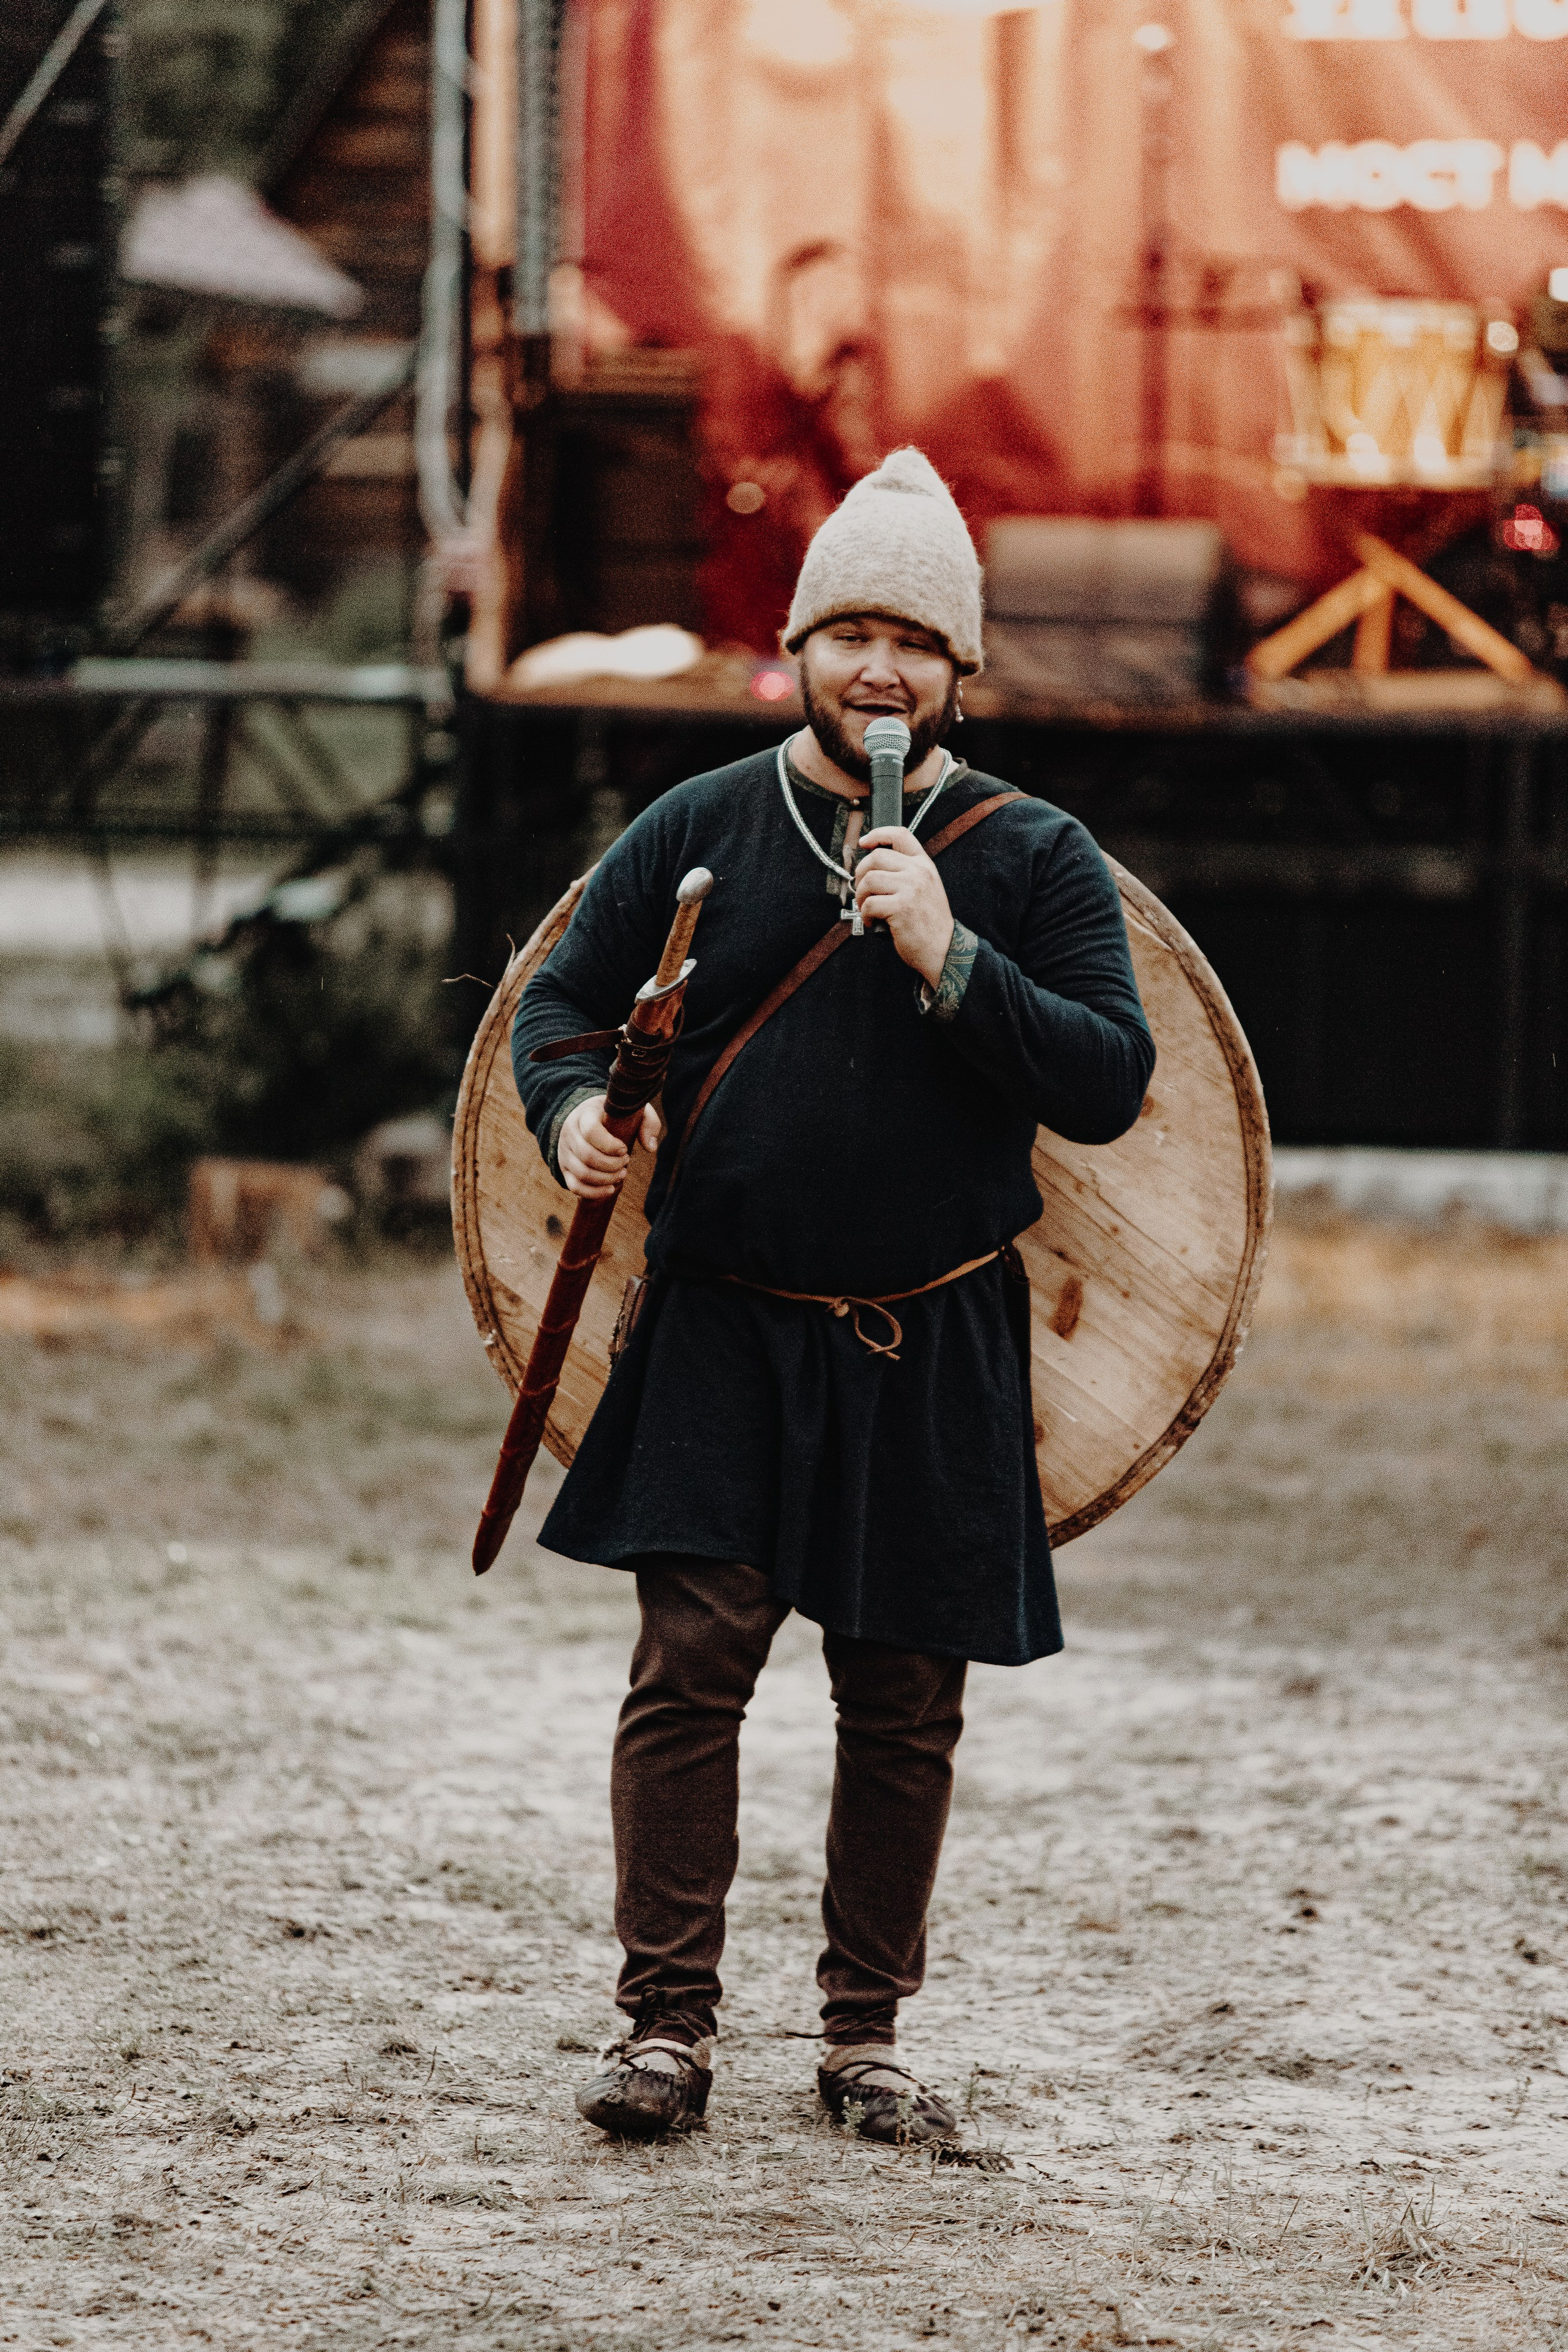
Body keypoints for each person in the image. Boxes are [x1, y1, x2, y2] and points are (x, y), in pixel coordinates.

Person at [513, 447, 1155, 2145]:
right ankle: (664, 2031)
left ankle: (862, 2038)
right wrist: (575, 1113)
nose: (884, 668)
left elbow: (1106, 1079)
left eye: (918, 642)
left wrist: (951, 951)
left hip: (929, 1329)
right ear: (797, 647)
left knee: (904, 1696)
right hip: (723, 1315)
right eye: (853, 629)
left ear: (962, 672)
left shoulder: (1030, 855)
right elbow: (563, 1004)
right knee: (690, 1663)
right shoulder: (700, 825)